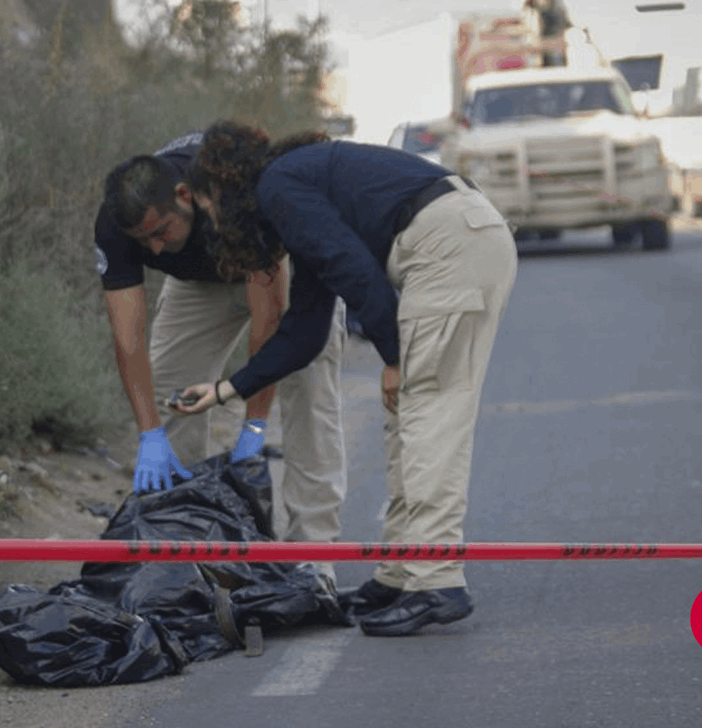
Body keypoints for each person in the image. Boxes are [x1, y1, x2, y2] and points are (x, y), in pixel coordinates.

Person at [172, 120, 518, 637]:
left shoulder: (279, 186)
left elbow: (354, 269)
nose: (212, 223)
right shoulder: (295, 192)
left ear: (223, 189)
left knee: (427, 417)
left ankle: (435, 580)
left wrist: (393, 356)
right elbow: (305, 332)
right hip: (457, 240)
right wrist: (225, 390)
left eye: (206, 208)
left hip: (446, 249)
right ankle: (401, 572)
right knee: (408, 421)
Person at [95, 130, 350, 555]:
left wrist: (254, 426)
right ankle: (181, 543)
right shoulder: (117, 223)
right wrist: (149, 433)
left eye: (160, 231)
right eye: (144, 242)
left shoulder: (234, 193)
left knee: (308, 389)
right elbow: (127, 338)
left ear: (184, 196)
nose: (155, 248)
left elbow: (268, 324)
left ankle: (313, 551)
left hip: (271, 266)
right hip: (196, 284)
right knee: (168, 395)